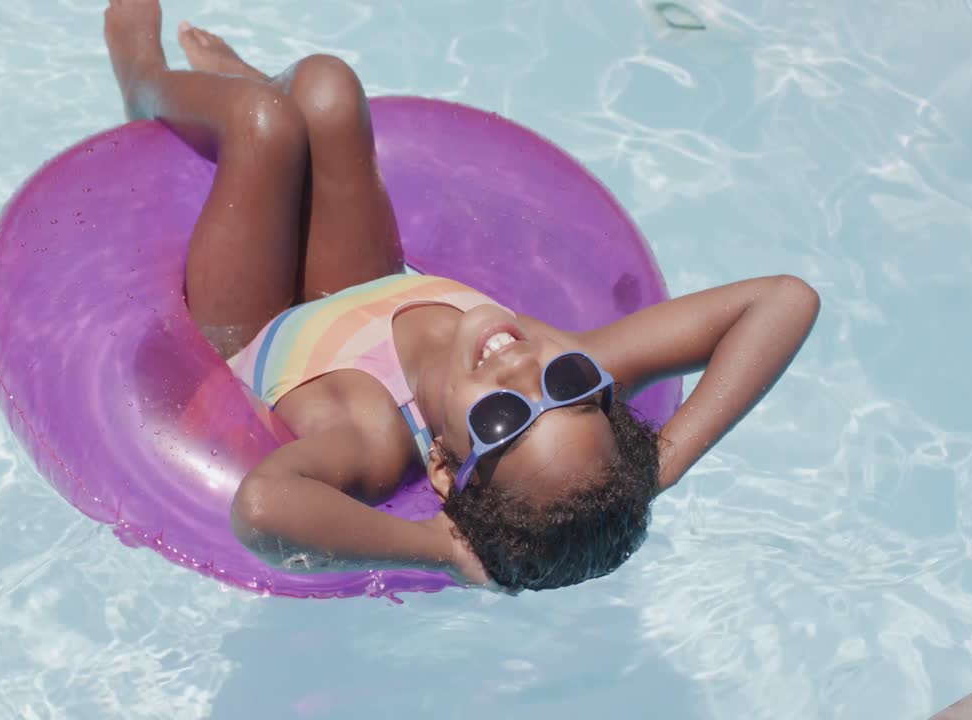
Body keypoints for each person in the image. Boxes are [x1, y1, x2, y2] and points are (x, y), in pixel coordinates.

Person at [103, 0, 821, 592]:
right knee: (327, 87)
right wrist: (659, 465)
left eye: (503, 417)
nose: (522, 369)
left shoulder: (373, 438)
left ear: (445, 464)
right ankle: (263, 110)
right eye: (569, 383)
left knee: (264, 125)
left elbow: (260, 509)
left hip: (254, 324)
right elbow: (785, 301)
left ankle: (145, 81)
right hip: (366, 284)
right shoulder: (572, 364)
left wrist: (435, 549)